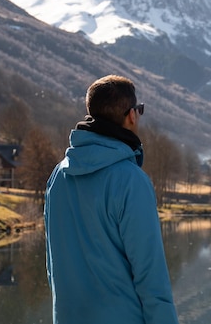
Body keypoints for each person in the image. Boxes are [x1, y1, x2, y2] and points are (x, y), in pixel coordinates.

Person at [44, 74, 179, 324]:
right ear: (131, 115)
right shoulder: (131, 181)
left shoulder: (58, 176)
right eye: (139, 110)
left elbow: (53, 264)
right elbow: (151, 277)